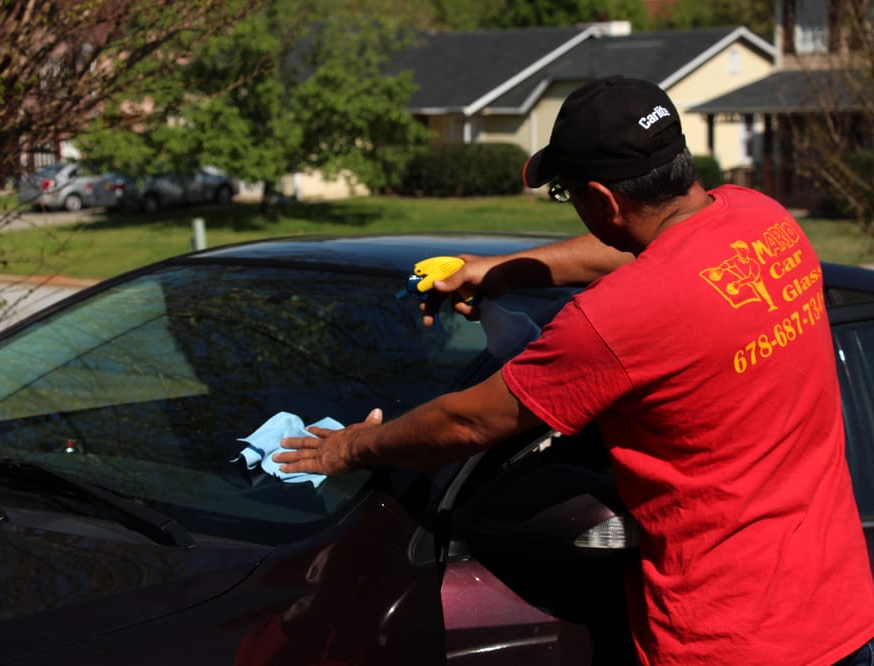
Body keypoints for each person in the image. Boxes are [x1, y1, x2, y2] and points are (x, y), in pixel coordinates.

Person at [276, 76, 874, 665]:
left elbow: (467, 423)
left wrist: (352, 448)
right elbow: (649, 253)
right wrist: (505, 269)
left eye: (569, 194)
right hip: (841, 613)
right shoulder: (764, 221)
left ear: (605, 200)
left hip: (730, 641)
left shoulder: (615, 322)